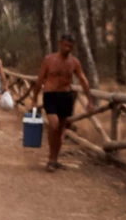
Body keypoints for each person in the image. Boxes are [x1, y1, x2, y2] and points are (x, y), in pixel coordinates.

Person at [32, 34, 94, 172]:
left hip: (66, 96)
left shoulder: (74, 62)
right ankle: (50, 157)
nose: (68, 48)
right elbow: (40, 79)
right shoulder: (49, 60)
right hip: (50, 95)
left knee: (61, 130)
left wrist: (89, 100)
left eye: (70, 46)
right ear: (60, 44)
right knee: (53, 125)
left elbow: (83, 79)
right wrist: (34, 99)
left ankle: (54, 160)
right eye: (65, 45)